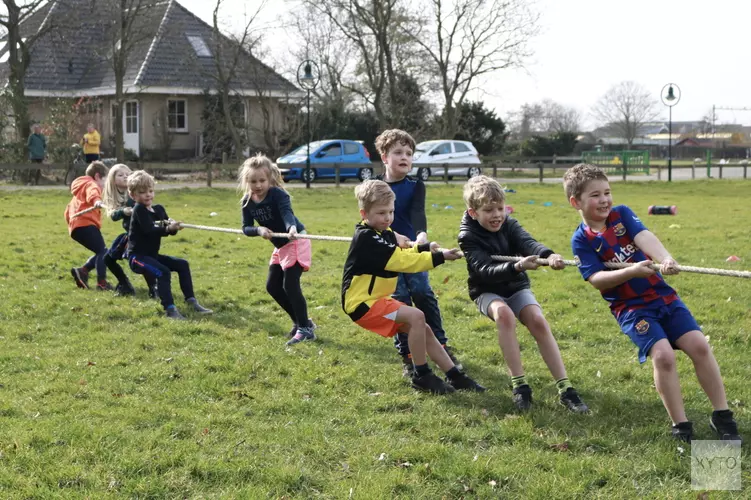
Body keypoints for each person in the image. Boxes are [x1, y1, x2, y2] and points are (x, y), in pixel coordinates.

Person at [563, 163, 741, 442]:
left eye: (607, 192)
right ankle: (681, 425)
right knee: (663, 356)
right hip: (632, 309)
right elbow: (596, 278)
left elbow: (644, 236)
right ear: (576, 202)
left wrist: (665, 258)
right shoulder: (581, 240)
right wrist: (632, 270)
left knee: (699, 346)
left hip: (662, 296)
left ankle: (722, 415)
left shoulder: (621, 215)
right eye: (595, 195)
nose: (604, 200)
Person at [458, 175, 589, 413]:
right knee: (504, 315)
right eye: (489, 210)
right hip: (486, 290)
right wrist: (517, 266)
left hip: (515, 286)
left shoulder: (509, 224)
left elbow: (528, 243)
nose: (497, 215)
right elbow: (485, 271)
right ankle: (520, 386)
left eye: (500, 208)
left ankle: (566, 389)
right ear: (473, 212)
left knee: (538, 320)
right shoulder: (467, 236)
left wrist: (548, 255)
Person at [342, 179, 485, 394]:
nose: (388, 217)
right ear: (364, 214)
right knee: (417, 316)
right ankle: (422, 375)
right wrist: (438, 257)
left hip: (377, 300)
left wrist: (425, 248)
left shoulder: (384, 233)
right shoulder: (367, 238)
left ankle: (455, 376)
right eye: (381, 213)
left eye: (390, 211)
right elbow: (402, 262)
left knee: (423, 328)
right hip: (362, 304)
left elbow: (404, 252)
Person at [374, 128, 461, 378]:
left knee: (422, 292)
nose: (405, 157)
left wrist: (421, 233)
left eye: (409, 153)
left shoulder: (415, 185)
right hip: (387, 254)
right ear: (384, 156)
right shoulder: (374, 187)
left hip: (414, 250)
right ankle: (408, 354)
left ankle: (442, 346)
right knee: (399, 300)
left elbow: (417, 213)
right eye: (398, 152)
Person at [239, 154, 316, 346]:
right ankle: (302, 322)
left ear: (270, 178)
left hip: (295, 240)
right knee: (272, 286)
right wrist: (258, 230)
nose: (258, 185)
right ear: (247, 181)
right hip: (279, 245)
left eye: (262, 181)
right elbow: (246, 228)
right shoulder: (247, 201)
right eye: (253, 181)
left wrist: (291, 228)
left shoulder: (278, 195)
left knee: (290, 285)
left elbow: (286, 213)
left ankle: (305, 330)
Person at [126, 170, 212, 319]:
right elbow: (149, 230)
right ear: (133, 195)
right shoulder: (138, 210)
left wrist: (174, 226)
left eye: (151, 191)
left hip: (152, 256)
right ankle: (170, 310)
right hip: (137, 258)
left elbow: (168, 229)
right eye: (142, 192)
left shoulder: (159, 210)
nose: (148, 195)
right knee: (163, 272)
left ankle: (191, 301)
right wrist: (168, 228)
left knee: (182, 264)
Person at [101, 163, 156, 298]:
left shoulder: (136, 194)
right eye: (120, 175)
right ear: (113, 180)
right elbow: (113, 215)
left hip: (138, 235)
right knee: (108, 259)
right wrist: (123, 211)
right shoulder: (116, 196)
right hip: (128, 234)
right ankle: (125, 284)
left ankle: (154, 289)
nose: (125, 177)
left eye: (127, 174)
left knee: (142, 263)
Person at [64, 161, 115, 291]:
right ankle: (102, 283)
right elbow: (93, 192)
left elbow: (68, 210)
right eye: (105, 181)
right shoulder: (92, 184)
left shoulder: (80, 188)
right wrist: (96, 200)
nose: (105, 186)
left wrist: (71, 224)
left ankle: (83, 271)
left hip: (76, 227)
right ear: (98, 176)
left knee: (102, 252)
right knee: (103, 252)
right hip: (86, 224)